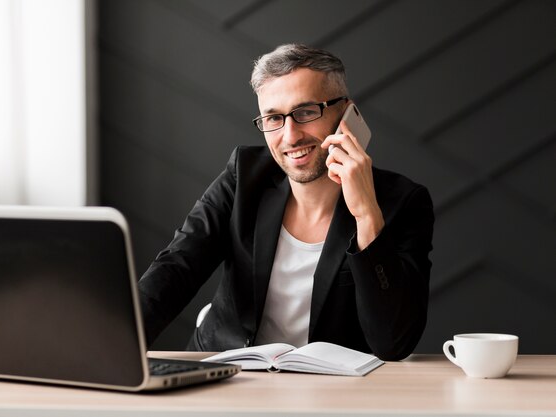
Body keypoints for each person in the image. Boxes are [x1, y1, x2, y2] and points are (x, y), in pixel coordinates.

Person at [138, 44, 434, 361]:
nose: (290, 136)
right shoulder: (244, 177)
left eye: (306, 112)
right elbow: (176, 268)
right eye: (273, 118)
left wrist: (366, 217)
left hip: (332, 393)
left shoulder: (401, 202)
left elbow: (393, 342)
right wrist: (109, 345)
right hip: (228, 375)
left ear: (346, 112)